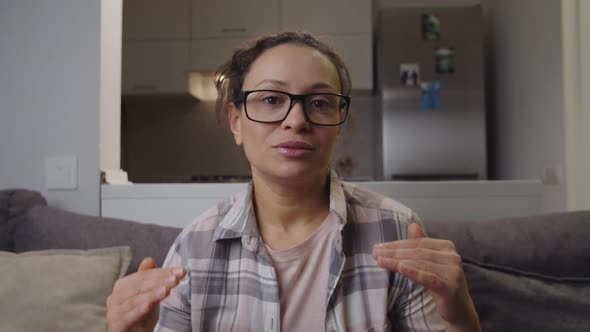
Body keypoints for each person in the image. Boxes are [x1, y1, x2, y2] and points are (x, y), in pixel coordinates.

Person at [106, 31, 480, 332]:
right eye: (271, 99)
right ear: (236, 122)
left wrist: (462, 318)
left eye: (319, 102)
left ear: (340, 122)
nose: (296, 120)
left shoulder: (396, 230)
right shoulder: (195, 247)